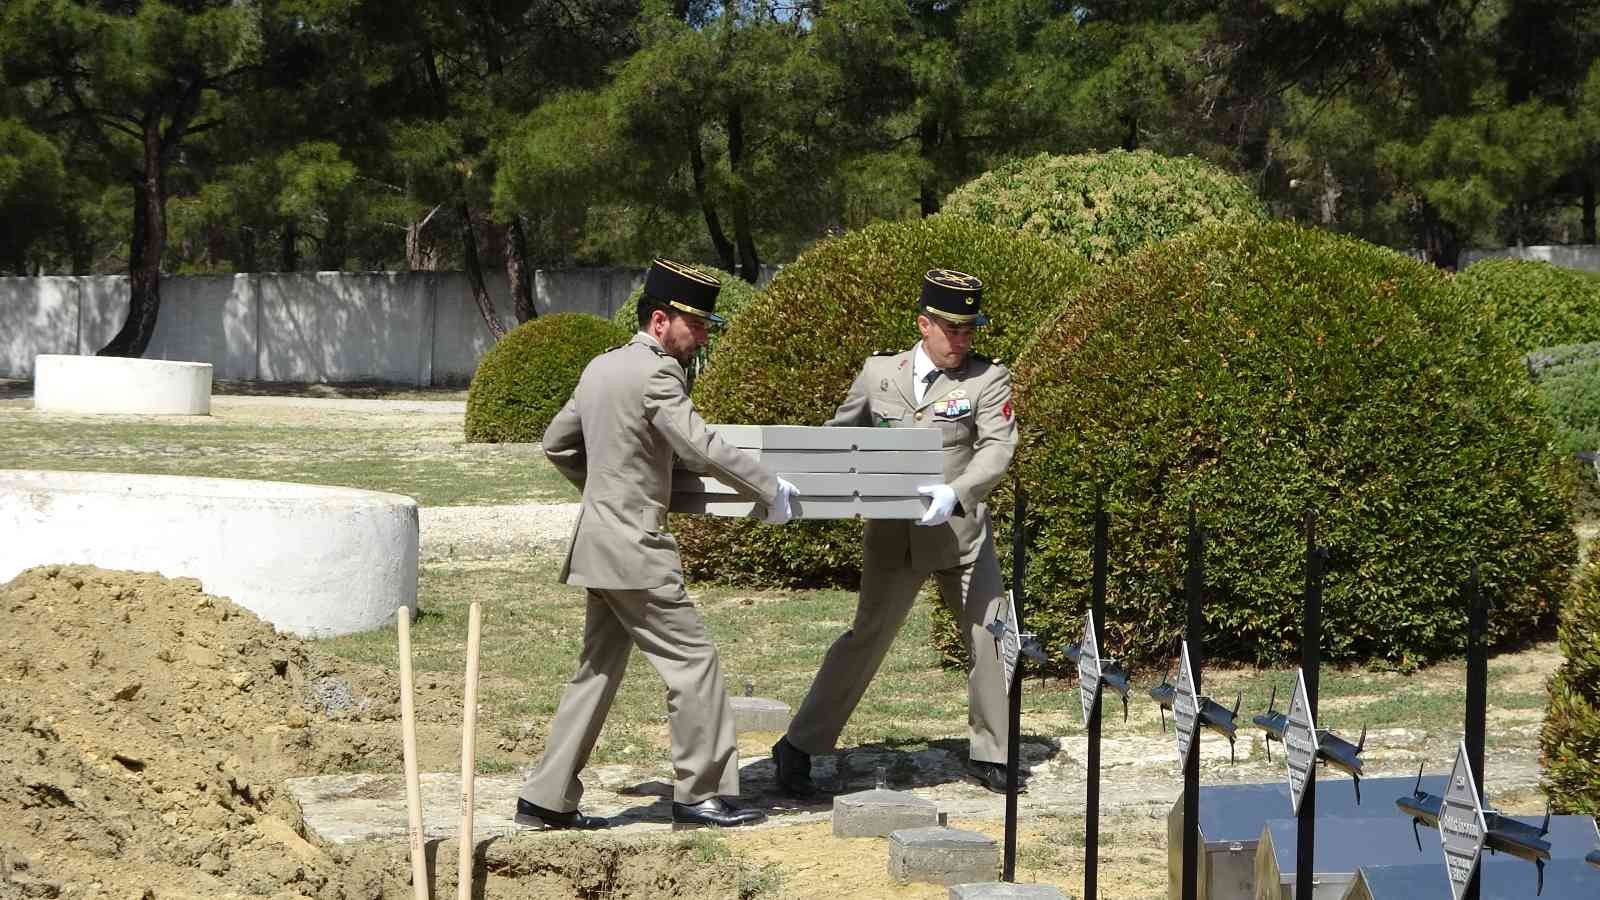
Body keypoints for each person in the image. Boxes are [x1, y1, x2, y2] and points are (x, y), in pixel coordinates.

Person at [516, 258, 800, 830]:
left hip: (598, 544)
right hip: (637, 549)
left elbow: (556, 443)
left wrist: (607, 491)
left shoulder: (600, 366)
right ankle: (700, 793)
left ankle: (544, 799)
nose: (703, 336)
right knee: (694, 664)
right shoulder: (658, 373)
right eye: (695, 324)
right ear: (660, 320)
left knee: (596, 671)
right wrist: (769, 489)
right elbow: (700, 447)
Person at [771, 268, 1020, 795]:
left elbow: (998, 446)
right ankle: (799, 744)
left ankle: (993, 753)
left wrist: (959, 491)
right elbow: (839, 438)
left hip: (961, 535)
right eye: (952, 329)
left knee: (991, 636)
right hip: (893, 538)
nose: (962, 340)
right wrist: (797, 485)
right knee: (866, 638)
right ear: (924, 325)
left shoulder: (986, 378)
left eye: (970, 330)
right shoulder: (879, 373)